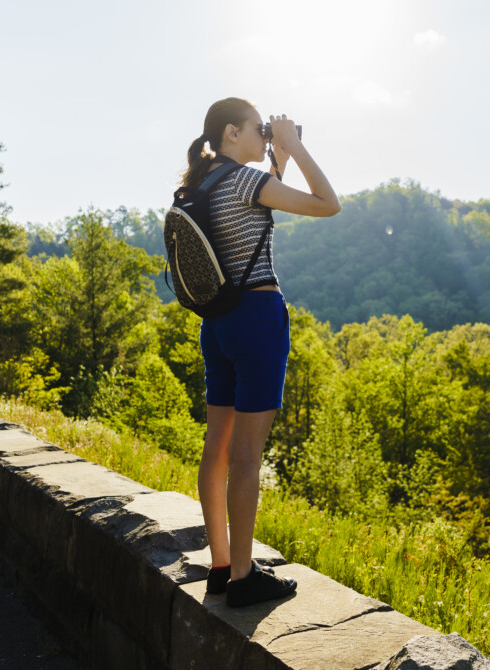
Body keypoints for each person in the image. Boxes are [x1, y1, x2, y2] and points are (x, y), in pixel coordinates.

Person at [181, 97, 340, 607]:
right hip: (258, 319)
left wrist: (277, 152)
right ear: (231, 133)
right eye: (258, 129)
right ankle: (247, 580)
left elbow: (264, 187)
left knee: (217, 449)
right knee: (247, 456)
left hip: (218, 324)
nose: (264, 136)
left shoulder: (202, 184)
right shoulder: (245, 183)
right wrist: (295, 143)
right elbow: (326, 203)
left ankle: (223, 565)